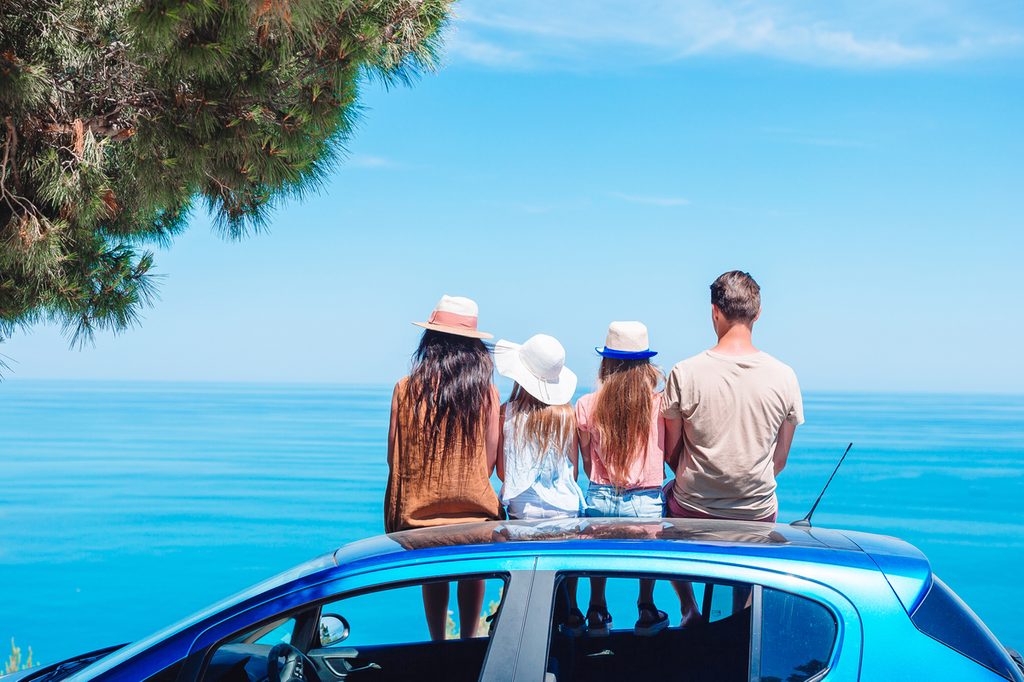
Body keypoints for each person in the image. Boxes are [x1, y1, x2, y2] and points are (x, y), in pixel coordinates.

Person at [662, 270, 804, 625]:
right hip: (755, 513)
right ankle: (741, 616)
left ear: (714, 312)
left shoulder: (685, 371)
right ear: (757, 315)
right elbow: (780, 460)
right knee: (752, 544)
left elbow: (671, 450)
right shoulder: (784, 375)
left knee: (664, 500)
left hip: (692, 510)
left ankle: (688, 608)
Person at [385, 294, 505, 641]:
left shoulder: (405, 390)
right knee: (473, 563)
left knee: (433, 570)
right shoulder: (486, 393)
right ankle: (468, 639)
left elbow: (394, 458)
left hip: (417, 520)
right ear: (473, 348)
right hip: (475, 518)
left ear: (430, 341)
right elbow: (489, 464)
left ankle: (438, 641)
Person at [576, 321, 669, 637]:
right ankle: (646, 606)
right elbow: (667, 450)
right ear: (645, 364)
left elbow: (588, 460)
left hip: (602, 494)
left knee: (598, 556)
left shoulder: (588, 405)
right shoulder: (659, 404)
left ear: (606, 362)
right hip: (645, 500)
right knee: (648, 558)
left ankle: (597, 609)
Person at [494, 333, 587, 634]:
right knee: (565, 571)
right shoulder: (567, 414)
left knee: (524, 575)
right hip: (565, 510)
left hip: (524, 511)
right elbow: (573, 473)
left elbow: (503, 472)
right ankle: (571, 610)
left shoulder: (506, 413)